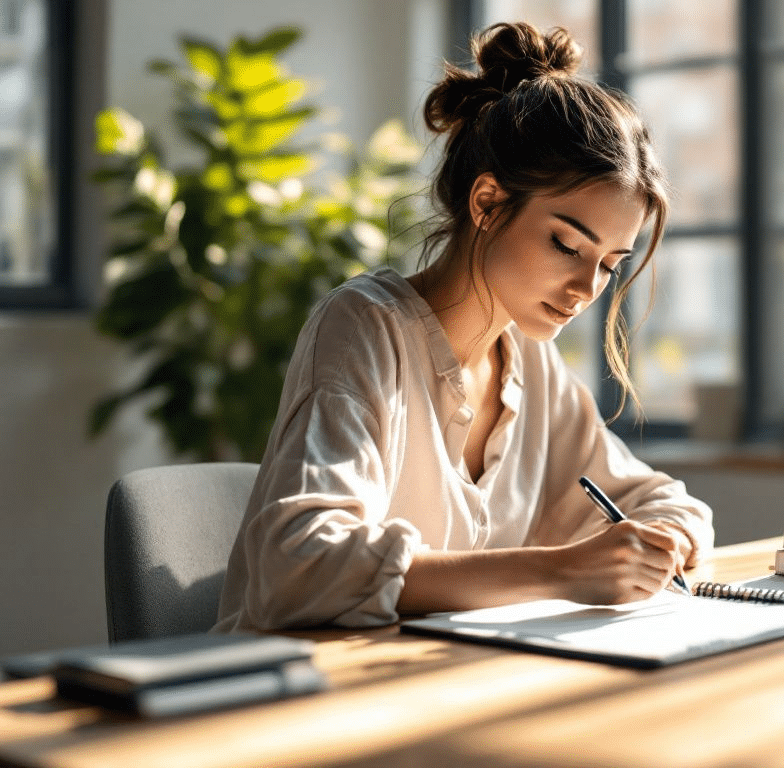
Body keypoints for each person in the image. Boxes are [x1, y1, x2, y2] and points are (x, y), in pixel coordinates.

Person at [214, 22, 713, 632]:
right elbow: (298, 562)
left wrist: (666, 539)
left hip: (433, 685)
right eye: (565, 244)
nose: (587, 289)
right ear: (486, 203)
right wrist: (559, 571)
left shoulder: (528, 362)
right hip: (294, 697)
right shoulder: (366, 329)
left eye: (610, 264)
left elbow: (657, 498)